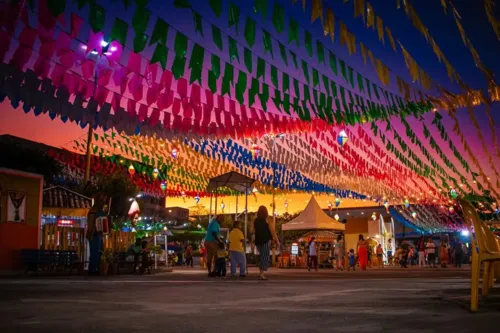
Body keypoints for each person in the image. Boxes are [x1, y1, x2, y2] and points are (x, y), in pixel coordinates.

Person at [252, 206, 278, 280]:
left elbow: (253, 231)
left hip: (258, 241)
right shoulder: (267, 219)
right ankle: (261, 274)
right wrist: (277, 241)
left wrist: (252, 241)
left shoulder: (255, 220)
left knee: (262, 256)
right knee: (265, 257)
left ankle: (261, 273)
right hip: (266, 240)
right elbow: (272, 231)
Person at [86, 192, 107, 275]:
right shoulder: (93, 210)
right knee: (94, 252)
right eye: (101, 199)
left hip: (99, 234)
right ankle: (92, 269)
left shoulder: (99, 210)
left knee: (99, 251)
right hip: (94, 234)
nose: (103, 202)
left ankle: (97, 268)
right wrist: (90, 233)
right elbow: (91, 223)